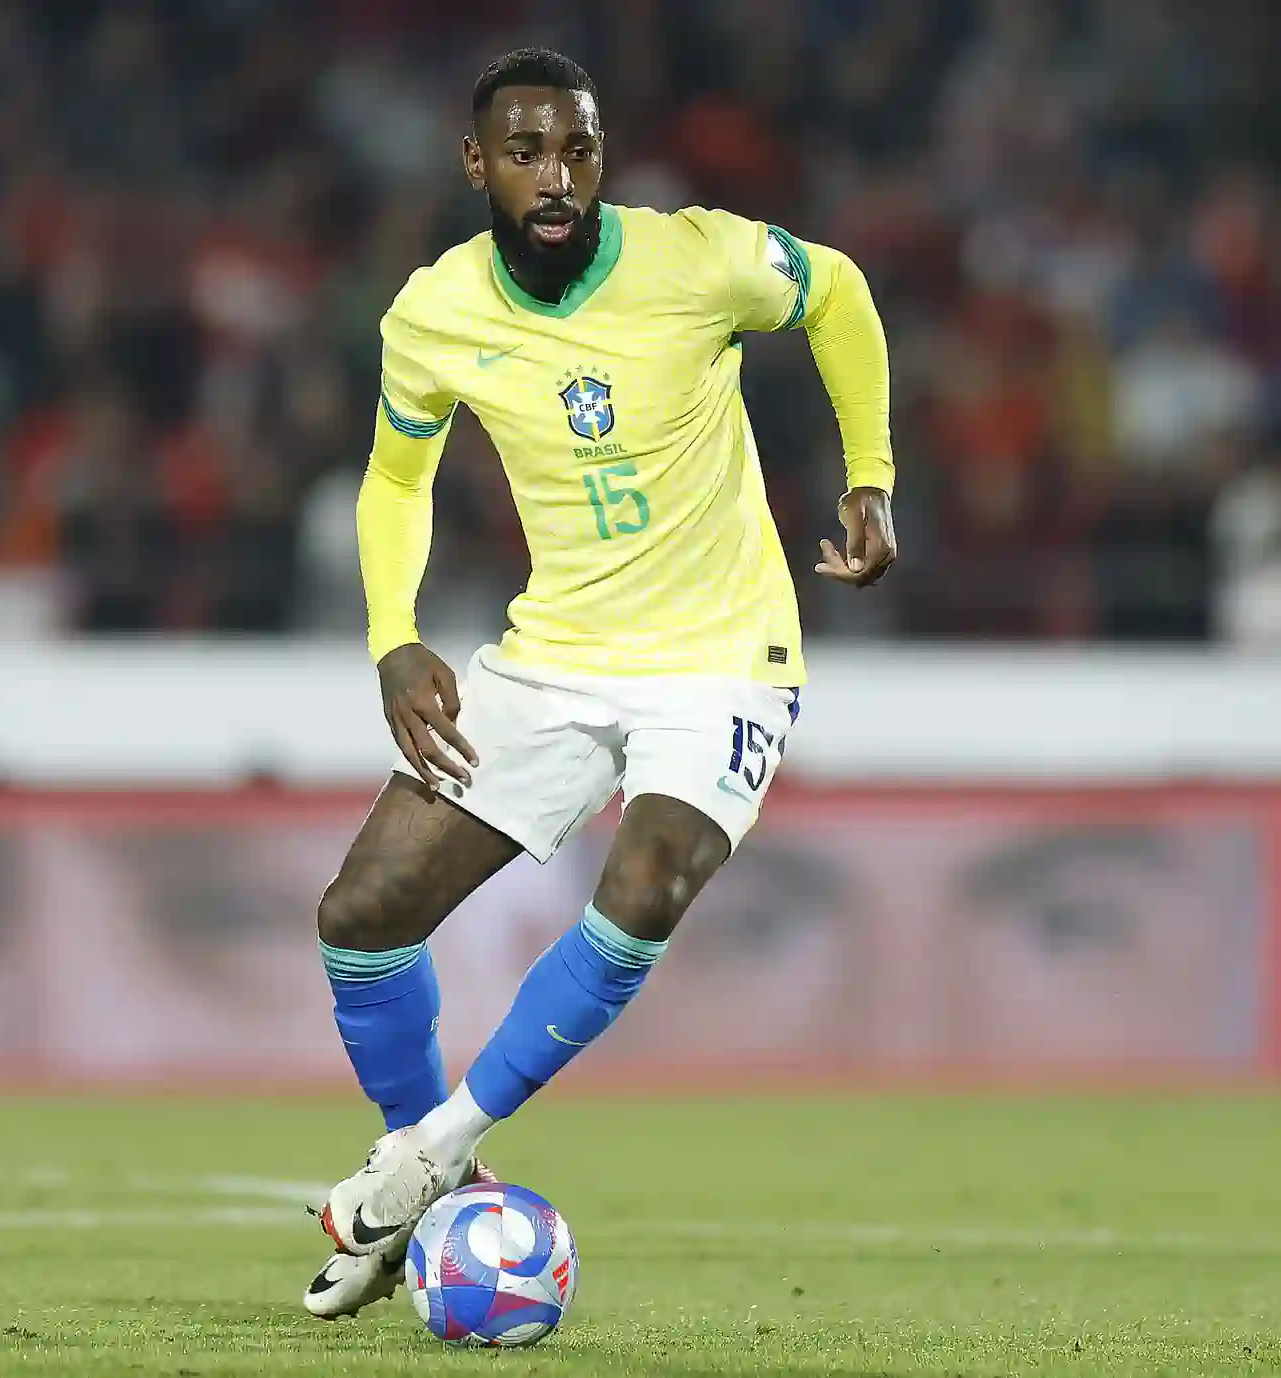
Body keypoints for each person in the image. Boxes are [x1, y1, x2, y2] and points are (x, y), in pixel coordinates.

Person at [304, 48, 897, 1317]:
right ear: (477, 166)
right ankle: (428, 1177)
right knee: (360, 913)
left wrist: (871, 470)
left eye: (575, 149)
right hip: (557, 655)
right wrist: (394, 637)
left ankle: (431, 1150)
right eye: (523, 152)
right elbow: (396, 477)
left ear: (601, 153)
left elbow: (836, 293)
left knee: (649, 874)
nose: (554, 176)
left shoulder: (695, 259)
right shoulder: (435, 312)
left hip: (721, 657)